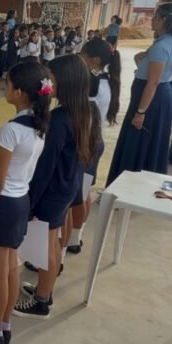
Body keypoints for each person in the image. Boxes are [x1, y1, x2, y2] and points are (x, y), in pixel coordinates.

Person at [13, 54, 98, 320]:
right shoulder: (86, 110)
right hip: (67, 186)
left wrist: (31, 202)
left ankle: (42, 300)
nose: (47, 84)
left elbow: (44, 168)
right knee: (53, 243)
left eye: (51, 78)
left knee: (49, 246)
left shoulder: (60, 119)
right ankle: (43, 288)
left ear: (64, 81)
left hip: (52, 192)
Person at [0, 62, 49, 344]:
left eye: (7, 84)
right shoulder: (38, 124)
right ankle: (3, 323)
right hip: (20, 201)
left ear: (18, 92)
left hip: (2, 205)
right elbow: (17, 159)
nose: (3, 87)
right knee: (12, 267)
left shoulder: (11, 129)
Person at [108, 3, 172, 184]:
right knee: (148, 142)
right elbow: (146, 65)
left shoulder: (162, 46)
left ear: (164, 20)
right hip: (157, 96)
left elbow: (153, 82)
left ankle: (128, 185)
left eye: (155, 17)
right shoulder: (167, 42)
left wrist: (141, 112)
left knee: (138, 141)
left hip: (150, 99)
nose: (152, 20)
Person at [66, 38, 121, 254]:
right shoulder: (107, 80)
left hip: (86, 143)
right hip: (94, 141)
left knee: (77, 196)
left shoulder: (95, 84)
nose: (80, 57)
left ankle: (72, 238)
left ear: (95, 60)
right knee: (84, 192)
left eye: (83, 54)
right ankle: (75, 237)